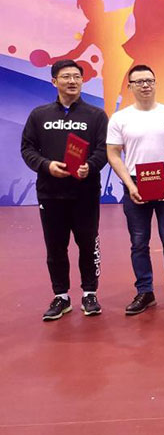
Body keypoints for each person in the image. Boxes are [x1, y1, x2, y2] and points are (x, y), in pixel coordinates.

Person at [21, 59, 108, 320]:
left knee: (88, 244)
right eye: (66, 76)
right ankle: (61, 296)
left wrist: (90, 167)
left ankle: (90, 293)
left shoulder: (96, 115)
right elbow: (27, 149)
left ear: (82, 80)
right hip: (50, 193)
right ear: (54, 81)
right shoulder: (39, 115)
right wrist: (46, 166)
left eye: (76, 76)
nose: (72, 81)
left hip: (85, 193)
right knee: (55, 247)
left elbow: (104, 149)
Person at [107, 64, 164, 314]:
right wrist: (129, 184)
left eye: (149, 80)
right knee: (138, 241)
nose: (145, 85)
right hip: (135, 184)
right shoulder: (120, 118)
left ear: (156, 83)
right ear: (130, 87)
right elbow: (113, 153)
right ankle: (144, 292)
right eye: (139, 81)